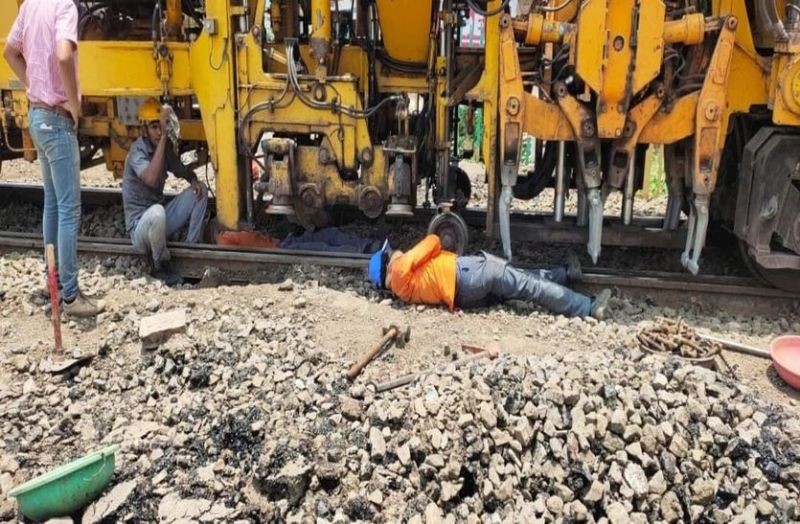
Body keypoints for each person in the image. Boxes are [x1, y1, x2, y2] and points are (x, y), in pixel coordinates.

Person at [4, 0, 103, 317]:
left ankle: (55, 285)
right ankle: (70, 296)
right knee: (69, 209)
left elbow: (9, 52)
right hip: (57, 120)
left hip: (37, 115)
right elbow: (63, 55)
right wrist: (73, 104)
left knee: (53, 203)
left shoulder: (30, 5)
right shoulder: (64, 7)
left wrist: (34, 84)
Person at [368, 234, 612, 319]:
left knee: (519, 282)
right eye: (391, 252)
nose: (396, 250)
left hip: (465, 295)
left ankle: (564, 274)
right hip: (467, 275)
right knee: (528, 286)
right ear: (388, 265)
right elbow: (434, 240)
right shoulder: (400, 270)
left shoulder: (403, 289)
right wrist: (407, 255)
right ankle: (588, 307)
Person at [122, 98, 208, 286]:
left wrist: (193, 180)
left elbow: (181, 170)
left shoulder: (164, 147)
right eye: (155, 127)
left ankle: (192, 247)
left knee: (201, 190)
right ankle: (161, 265)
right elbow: (151, 179)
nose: (160, 131)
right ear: (143, 129)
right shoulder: (137, 151)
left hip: (159, 220)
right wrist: (163, 140)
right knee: (157, 213)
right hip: (140, 228)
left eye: (161, 126)